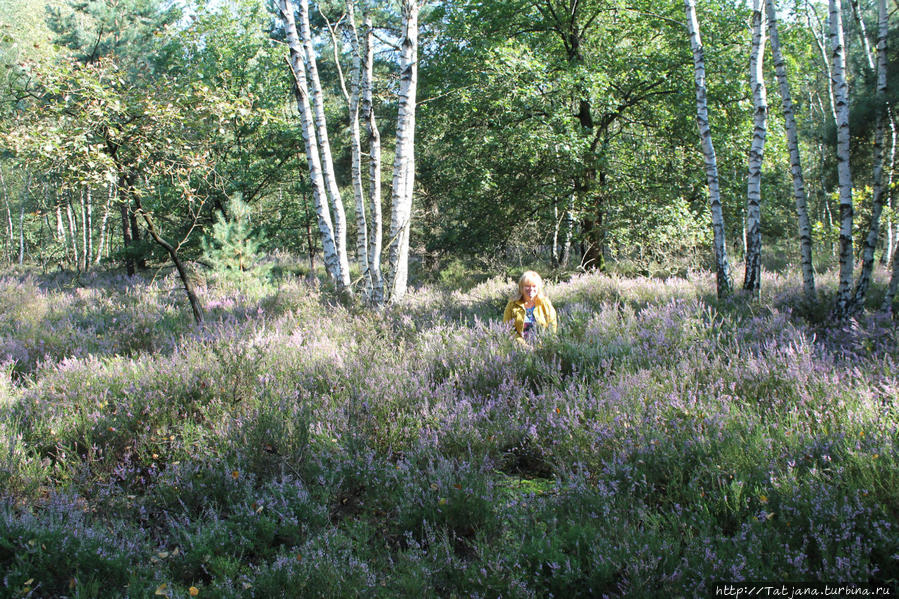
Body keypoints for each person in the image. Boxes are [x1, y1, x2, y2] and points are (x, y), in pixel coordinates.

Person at [503, 270, 557, 344]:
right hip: (517, 346)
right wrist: (522, 344)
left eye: (534, 286)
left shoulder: (545, 303)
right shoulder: (512, 304)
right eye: (527, 286)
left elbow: (552, 324)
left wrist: (547, 342)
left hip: (543, 345)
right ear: (521, 288)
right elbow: (507, 327)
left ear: (538, 288)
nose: (531, 289)